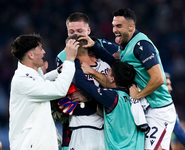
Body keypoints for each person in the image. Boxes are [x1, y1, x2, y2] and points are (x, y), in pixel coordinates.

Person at [79, 8, 176, 150]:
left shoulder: (142, 45)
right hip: (145, 107)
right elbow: (117, 65)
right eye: (113, 25)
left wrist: (139, 94)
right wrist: (95, 47)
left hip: (159, 109)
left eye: (119, 26)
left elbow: (159, 79)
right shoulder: (126, 45)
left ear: (131, 26)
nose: (114, 30)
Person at [55, 12, 119, 150]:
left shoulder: (106, 47)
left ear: (88, 30)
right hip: (80, 122)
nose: (76, 35)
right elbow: (67, 94)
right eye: (71, 31)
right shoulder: (62, 57)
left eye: (80, 31)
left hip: (108, 120)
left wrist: (89, 96)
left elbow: (122, 78)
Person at [9, 33, 78, 150]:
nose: (44, 52)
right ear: (30, 55)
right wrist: (69, 60)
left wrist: (59, 71)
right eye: (40, 49)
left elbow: (42, 81)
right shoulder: (23, 81)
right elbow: (59, 89)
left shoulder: (31, 75)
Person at [72, 58, 145, 150]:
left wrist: (75, 60)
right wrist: (90, 99)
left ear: (112, 79)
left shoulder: (112, 96)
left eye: (108, 73)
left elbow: (81, 82)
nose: (105, 76)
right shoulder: (133, 96)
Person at [165, 72, 185, 149]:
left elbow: (178, 131)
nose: (170, 88)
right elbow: (179, 132)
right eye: (167, 85)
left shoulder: (170, 107)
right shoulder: (167, 107)